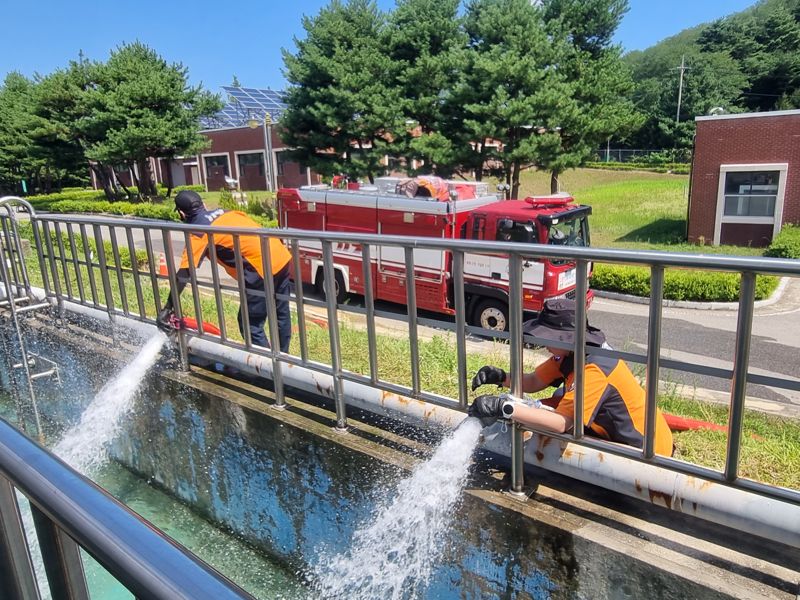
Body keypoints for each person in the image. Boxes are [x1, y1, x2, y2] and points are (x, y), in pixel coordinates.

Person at [469, 298, 674, 456]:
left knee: (553, 417)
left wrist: (504, 408)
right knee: (560, 394)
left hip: (648, 450)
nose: (541, 342)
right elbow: (534, 381)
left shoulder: (594, 370)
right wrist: (501, 376)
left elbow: (561, 423)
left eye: (546, 337)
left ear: (566, 338)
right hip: (629, 433)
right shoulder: (571, 354)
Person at [157, 190, 293, 352]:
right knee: (281, 315)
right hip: (281, 257)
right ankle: (284, 362)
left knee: (250, 324)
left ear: (181, 214)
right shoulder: (227, 212)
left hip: (259, 269)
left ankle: (268, 370)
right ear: (204, 205)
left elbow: (184, 274)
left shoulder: (198, 232)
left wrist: (167, 308)